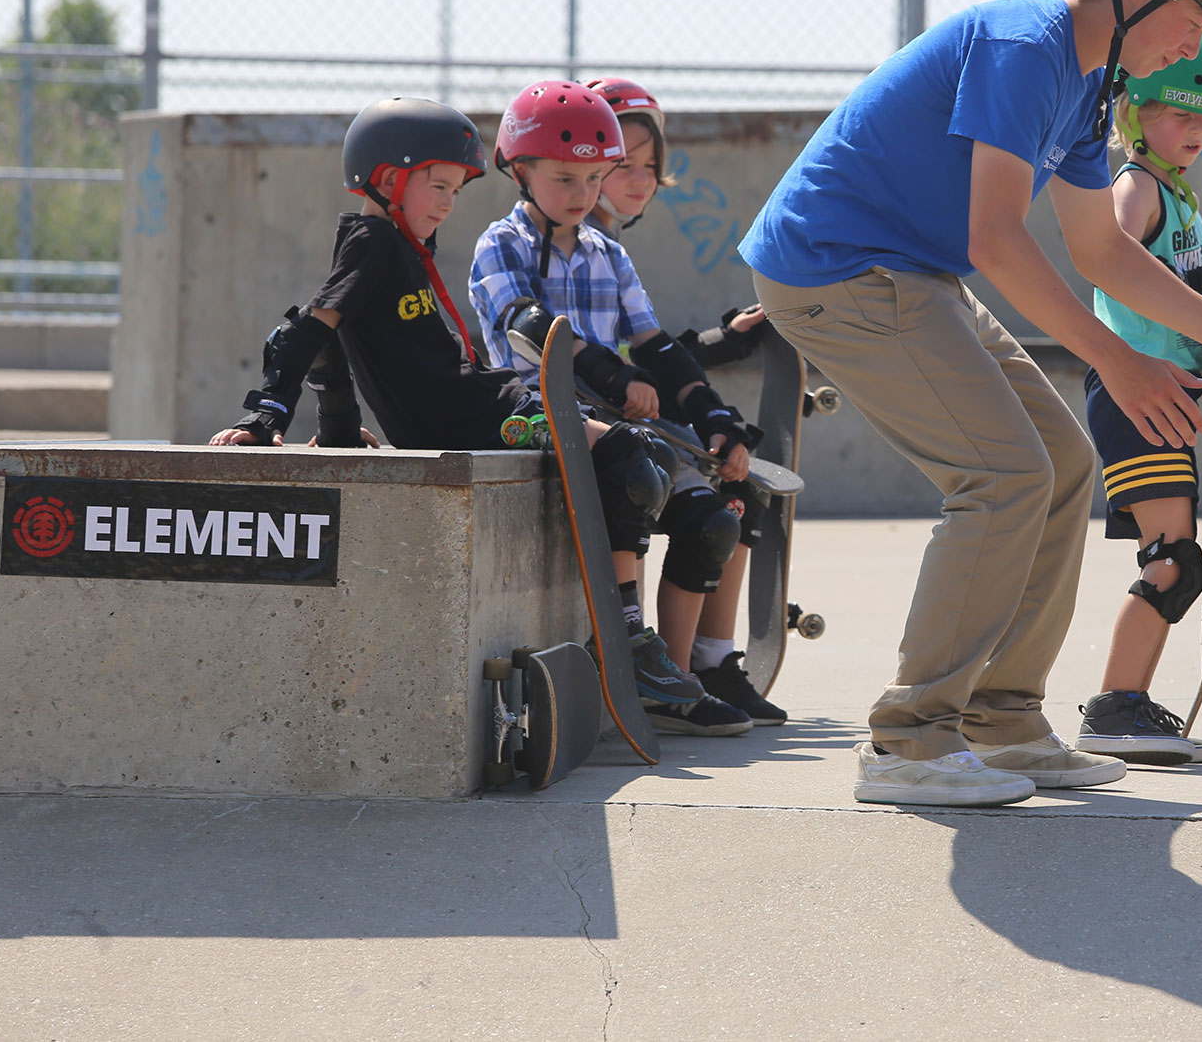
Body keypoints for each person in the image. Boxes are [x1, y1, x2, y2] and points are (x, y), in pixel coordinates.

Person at [739, 0, 1202, 808]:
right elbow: (997, 240)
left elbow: (1100, 250)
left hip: (911, 272)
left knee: (1057, 462)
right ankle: (909, 740)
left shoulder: (1090, 89)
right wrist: (1118, 360)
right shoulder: (1027, 50)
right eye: (1195, 19)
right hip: (835, 266)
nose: (1195, 43)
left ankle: (1002, 720)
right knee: (1001, 474)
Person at [208, 95, 681, 702]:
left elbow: (341, 341)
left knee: (642, 459)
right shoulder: (374, 242)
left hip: (477, 401)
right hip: (467, 413)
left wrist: (341, 429)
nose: (447, 204)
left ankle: (622, 635)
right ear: (386, 180)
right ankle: (627, 639)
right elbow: (308, 330)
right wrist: (266, 412)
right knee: (632, 462)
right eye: (436, 186)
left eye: (455, 192)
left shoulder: (399, 246)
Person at [469, 79, 764, 737]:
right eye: (565, 178)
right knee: (639, 470)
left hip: (607, 423)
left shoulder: (607, 252)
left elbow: (657, 345)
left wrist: (714, 416)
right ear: (519, 170)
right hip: (530, 413)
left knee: (711, 517)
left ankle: (676, 679)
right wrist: (609, 368)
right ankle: (628, 647)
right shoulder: (501, 244)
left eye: (594, 178)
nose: (582, 195)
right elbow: (524, 321)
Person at [584, 76, 787, 729]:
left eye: (650, 167)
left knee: (739, 485)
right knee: (718, 500)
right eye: (623, 165)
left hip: (623, 407)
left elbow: (645, 351)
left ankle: (710, 660)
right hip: (592, 420)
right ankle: (680, 669)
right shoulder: (568, 239)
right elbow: (606, 358)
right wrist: (709, 349)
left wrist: (716, 345)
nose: (640, 180)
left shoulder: (608, 247)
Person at [1072, 36, 1202, 766]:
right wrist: (1198, 295)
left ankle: (1125, 704)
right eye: (1180, 114)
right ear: (1135, 112)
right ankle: (1115, 707)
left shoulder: (1177, 196)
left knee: (1173, 557)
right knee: (1173, 559)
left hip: (1162, 394)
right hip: (1132, 391)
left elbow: (1167, 290)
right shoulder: (1137, 185)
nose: (1196, 131)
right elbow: (1111, 260)